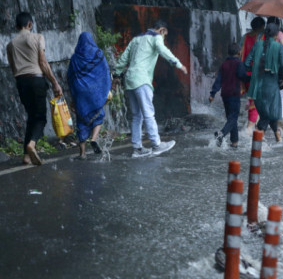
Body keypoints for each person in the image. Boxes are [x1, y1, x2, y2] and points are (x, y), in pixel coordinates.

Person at [114, 20, 187, 158]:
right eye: (164, 34)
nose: (164, 37)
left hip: (129, 79)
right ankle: (156, 144)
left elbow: (123, 58)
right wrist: (178, 64)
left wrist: (117, 74)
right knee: (148, 113)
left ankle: (137, 148)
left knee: (136, 116)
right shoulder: (156, 37)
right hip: (142, 79)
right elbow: (163, 50)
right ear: (162, 30)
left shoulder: (136, 39)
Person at [6, 12, 63, 166]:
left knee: (32, 117)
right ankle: (32, 144)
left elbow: (13, 68)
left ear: (17, 26)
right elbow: (43, 63)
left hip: (21, 82)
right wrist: (55, 82)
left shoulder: (10, 45)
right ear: (30, 24)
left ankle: (26, 156)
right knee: (40, 118)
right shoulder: (37, 38)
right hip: (36, 80)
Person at [67, 32, 111, 160]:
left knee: (81, 119)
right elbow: (105, 72)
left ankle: (82, 153)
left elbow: (70, 77)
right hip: (95, 91)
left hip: (80, 91)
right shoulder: (98, 54)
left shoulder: (75, 58)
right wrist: (104, 88)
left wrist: (73, 96)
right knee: (98, 114)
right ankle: (94, 138)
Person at [245, 23, 283, 142]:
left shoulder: (257, 44)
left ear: (264, 33)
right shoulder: (279, 47)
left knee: (265, 113)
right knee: (268, 115)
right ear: (276, 35)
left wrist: (254, 71)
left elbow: (247, 63)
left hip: (257, 86)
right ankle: (259, 141)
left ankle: (276, 135)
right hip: (272, 86)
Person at [209, 42, 247, 148]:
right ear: (239, 53)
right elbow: (242, 76)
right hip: (234, 94)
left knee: (231, 118)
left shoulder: (224, 64)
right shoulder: (239, 64)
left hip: (225, 95)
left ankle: (234, 143)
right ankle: (221, 134)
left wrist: (213, 93)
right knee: (233, 118)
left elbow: (218, 80)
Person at [241, 17, 265, 133]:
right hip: (256, 73)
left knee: (252, 99)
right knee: (255, 101)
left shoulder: (245, 37)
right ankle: (250, 128)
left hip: (245, 72)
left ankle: (255, 124)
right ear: (261, 27)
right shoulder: (261, 38)